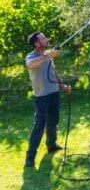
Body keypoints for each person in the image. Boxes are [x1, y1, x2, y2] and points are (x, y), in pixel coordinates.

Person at [24, 32, 72, 167]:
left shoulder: (48, 55)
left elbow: (53, 73)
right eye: (43, 38)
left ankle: (51, 145)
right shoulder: (31, 56)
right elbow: (30, 65)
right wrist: (47, 55)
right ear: (36, 43)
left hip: (54, 93)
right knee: (39, 126)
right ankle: (30, 156)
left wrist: (63, 85)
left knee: (53, 121)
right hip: (41, 97)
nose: (46, 39)